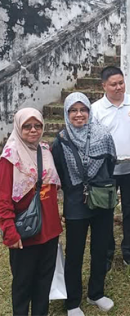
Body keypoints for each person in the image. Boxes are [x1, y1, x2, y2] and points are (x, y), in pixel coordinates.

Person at [50, 93, 117, 315]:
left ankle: (96, 293)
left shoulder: (104, 135)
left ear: (89, 111)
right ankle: (72, 302)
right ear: (67, 113)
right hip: (75, 201)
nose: (79, 115)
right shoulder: (60, 140)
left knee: (100, 249)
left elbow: (111, 162)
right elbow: (58, 172)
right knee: (75, 252)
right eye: (73, 110)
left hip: (101, 199)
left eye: (83, 110)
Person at [0, 108, 63, 316]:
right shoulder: (10, 156)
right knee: (23, 285)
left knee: (43, 282)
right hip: (25, 230)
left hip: (50, 228)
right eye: (27, 126)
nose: (33, 130)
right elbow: (3, 197)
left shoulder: (45, 149)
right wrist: (9, 230)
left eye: (37, 125)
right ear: (19, 127)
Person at [92, 65, 130, 271]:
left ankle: (129, 253)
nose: (118, 87)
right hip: (107, 171)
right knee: (105, 212)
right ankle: (107, 254)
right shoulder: (95, 109)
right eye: (113, 84)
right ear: (104, 86)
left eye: (121, 83)